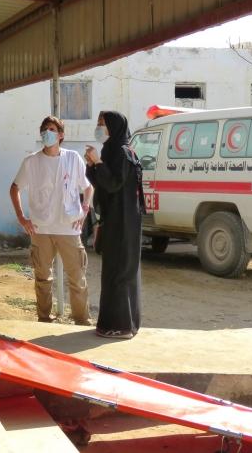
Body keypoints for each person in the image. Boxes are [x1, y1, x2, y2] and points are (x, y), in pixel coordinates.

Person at [10, 116, 93, 326]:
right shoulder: (31, 161)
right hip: (41, 228)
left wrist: (84, 210)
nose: (48, 132)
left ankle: (81, 320)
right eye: (45, 129)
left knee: (77, 278)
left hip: (69, 228)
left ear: (61, 135)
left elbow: (88, 188)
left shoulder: (73, 158)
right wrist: (22, 217)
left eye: (52, 129)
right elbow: (15, 188)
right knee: (43, 278)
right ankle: (44, 318)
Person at [84, 111, 145, 339]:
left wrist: (98, 162)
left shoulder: (122, 151)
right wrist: (93, 164)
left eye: (103, 124)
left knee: (120, 271)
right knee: (114, 270)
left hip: (124, 222)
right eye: (98, 123)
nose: (99, 128)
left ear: (114, 127)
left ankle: (121, 325)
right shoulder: (113, 150)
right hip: (116, 220)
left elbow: (112, 183)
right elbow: (102, 181)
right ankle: (115, 323)